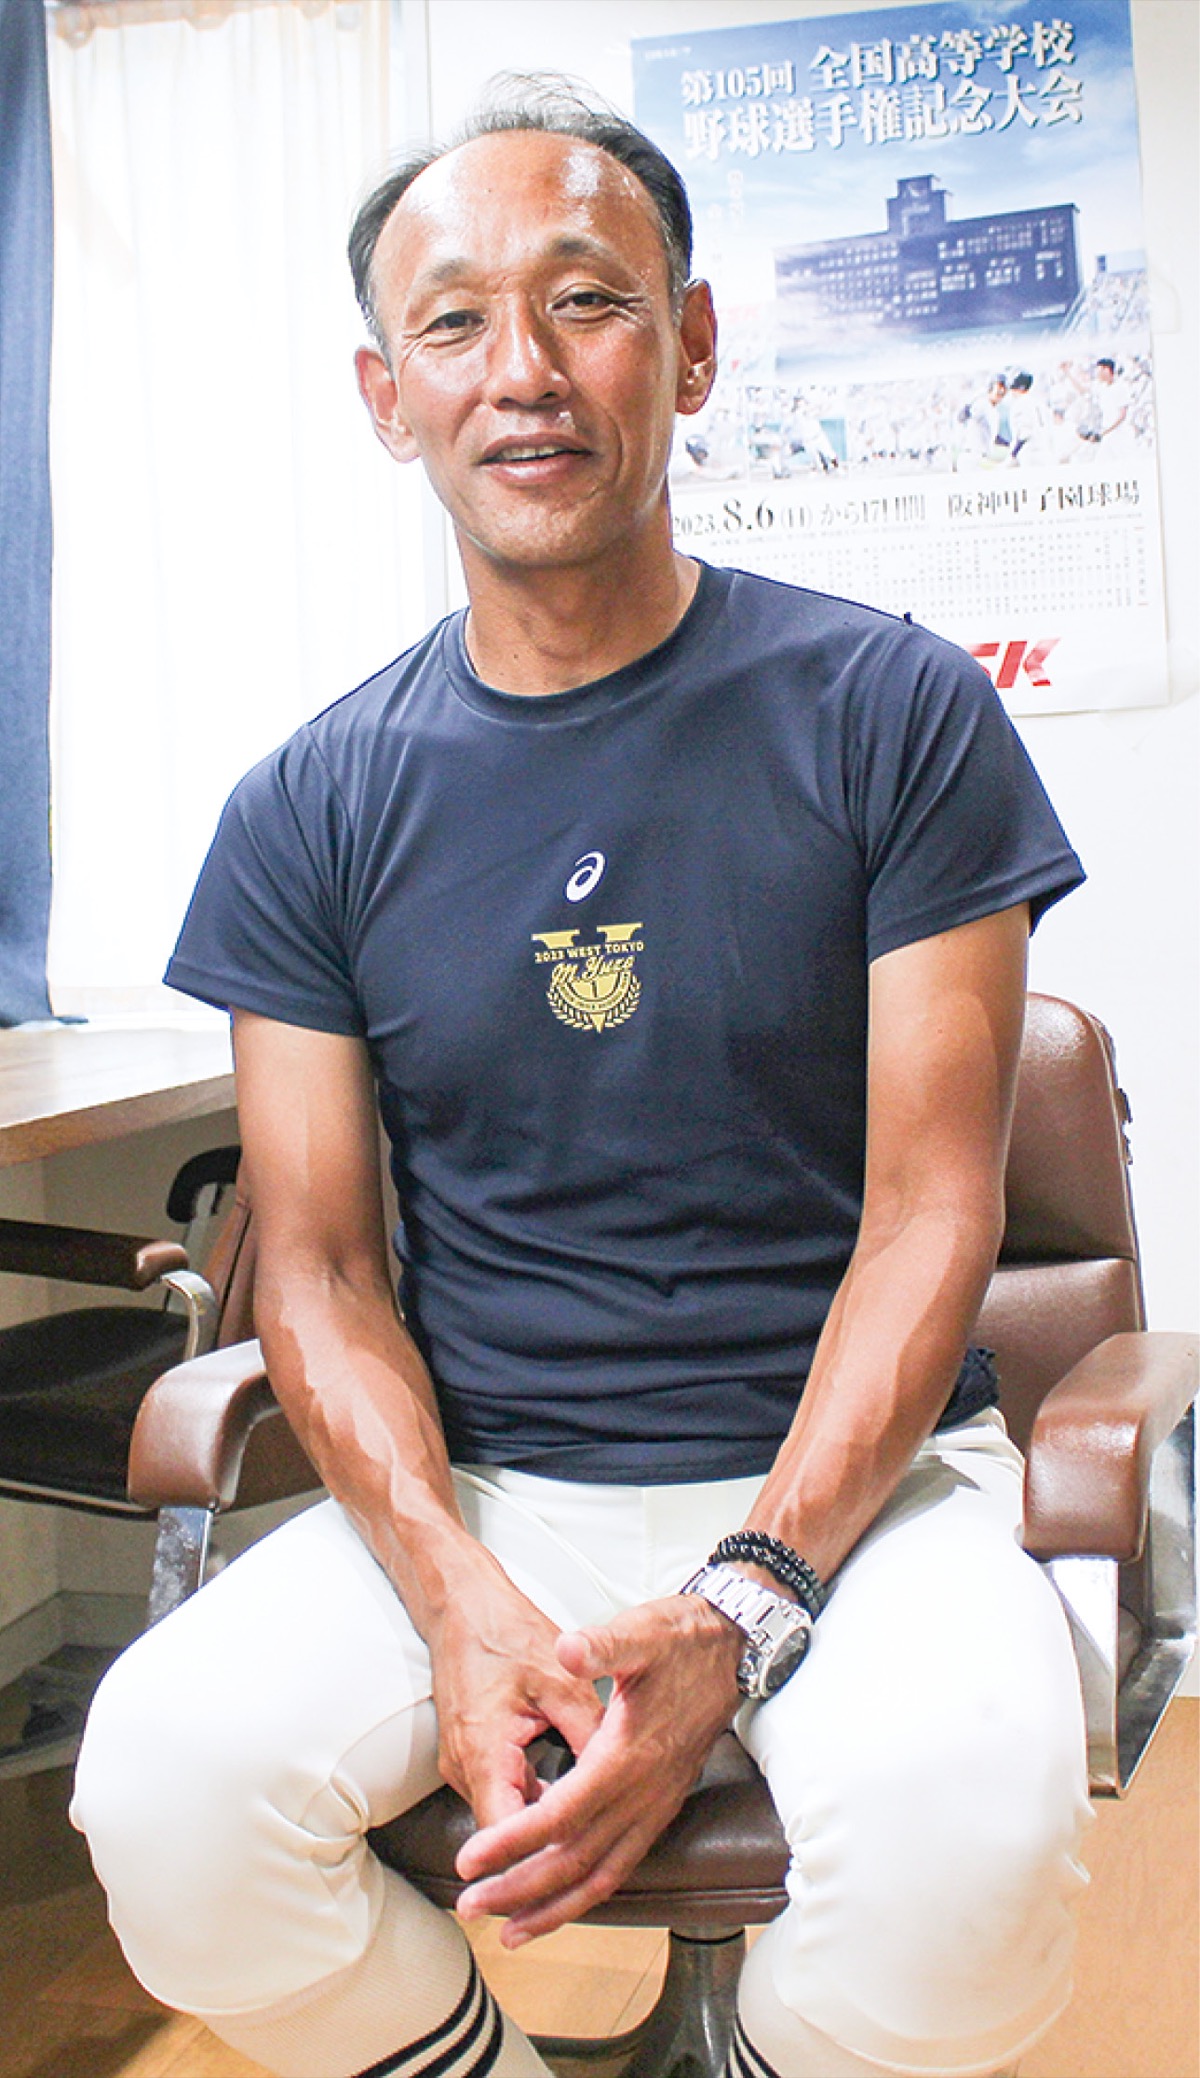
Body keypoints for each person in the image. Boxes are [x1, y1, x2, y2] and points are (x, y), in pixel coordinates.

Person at [72, 82, 1092, 2078]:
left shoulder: (894, 712)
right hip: (489, 1491)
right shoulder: (308, 805)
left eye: (589, 299)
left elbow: (933, 1210)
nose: (522, 370)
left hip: (857, 1494)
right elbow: (323, 1269)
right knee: (170, 1794)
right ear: (386, 396)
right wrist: (450, 1585)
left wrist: (752, 1590)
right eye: (453, 323)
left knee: (974, 1842)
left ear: (691, 347)